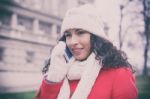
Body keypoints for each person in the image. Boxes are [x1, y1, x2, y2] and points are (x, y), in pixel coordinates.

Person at [35, 4, 138, 99]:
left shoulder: (119, 74)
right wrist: (54, 77)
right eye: (68, 35)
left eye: (80, 33)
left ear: (95, 37)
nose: (72, 42)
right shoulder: (58, 71)